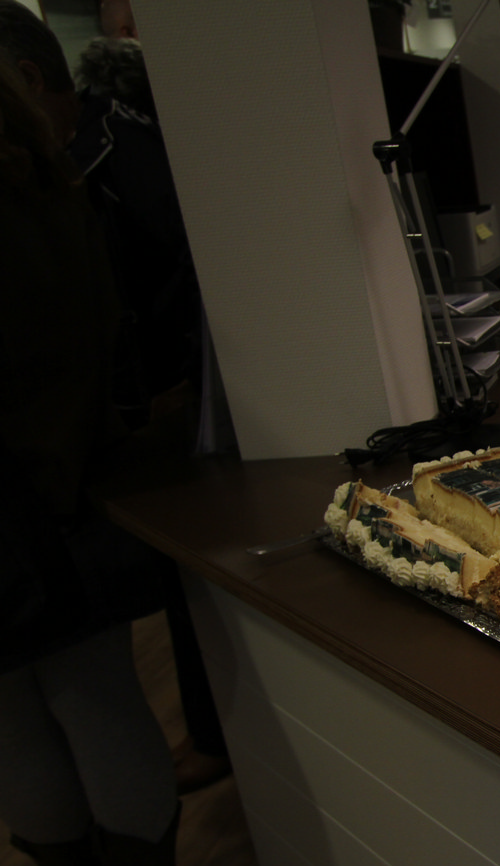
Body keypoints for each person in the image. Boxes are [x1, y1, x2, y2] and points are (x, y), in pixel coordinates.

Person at [0, 0, 185, 866]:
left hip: (16, 505)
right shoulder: (55, 189)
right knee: (99, 698)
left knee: (18, 717)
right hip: (72, 485)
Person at [69, 18, 233, 794]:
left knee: (183, 573)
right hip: (175, 384)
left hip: (163, 390)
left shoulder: (106, 149)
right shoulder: (132, 142)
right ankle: (212, 732)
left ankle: (212, 735)